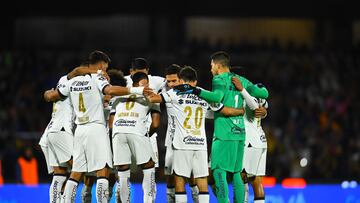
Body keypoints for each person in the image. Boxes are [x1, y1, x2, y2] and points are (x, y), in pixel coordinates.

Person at [44, 50, 151, 203]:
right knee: (103, 170)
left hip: (80, 129)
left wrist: (47, 93)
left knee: (76, 172)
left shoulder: (72, 81)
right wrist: (136, 90)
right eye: (106, 67)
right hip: (96, 128)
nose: (106, 71)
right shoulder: (97, 77)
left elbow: (53, 95)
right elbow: (110, 90)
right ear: (101, 65)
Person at [174, 51, 268, 203]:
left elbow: (217, 97)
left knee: (218, 171)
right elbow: (264, 93)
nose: (211, 69)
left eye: (211, 66)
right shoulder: (242, 80)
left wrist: (195, 90)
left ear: (217, 65)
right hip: (240, 133)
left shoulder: (219, 79)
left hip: (224, 133)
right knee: (237, 172)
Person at [147, 66, 247, 203]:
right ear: (195, 81)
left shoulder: (175, 92)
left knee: (180, 180)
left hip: (182, 144)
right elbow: (225, 111)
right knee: (202, 181)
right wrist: (241, 111)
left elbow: (153, 99)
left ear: (181, 80)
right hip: (200, 145)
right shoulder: (204, 94)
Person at [80, 69, 127, 203]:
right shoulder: (95, 94)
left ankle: (105, 198)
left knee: (110, 174)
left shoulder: (118, 101)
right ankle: (87, 197)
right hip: (97, 137)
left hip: (109, 139)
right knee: (90, 174)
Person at [111, 72, 157, 203]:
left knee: (123, 170)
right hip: (137, 130)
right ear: (144, 82)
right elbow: (156, 122)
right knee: (149, 166)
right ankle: (148, 201)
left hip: (118, 131)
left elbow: (111, 121)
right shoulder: (150, 94)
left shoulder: (120, 94)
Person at [124, 57, 166, 168]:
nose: (141, 79)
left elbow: (173, 82)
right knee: (125, 168)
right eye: (137, 74)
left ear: (147, 71)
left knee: (150, 167)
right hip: (128, 127)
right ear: (131, 71)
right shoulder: (123, 81)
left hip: (148, 129)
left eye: (144, 74)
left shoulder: (157, 81)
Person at [233, 81, 269, 203]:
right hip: (262, 140)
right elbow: (263, 109)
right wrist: (264, 112)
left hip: (250, 141)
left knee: (242, 176)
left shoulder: (244, 95)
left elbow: (254, 105)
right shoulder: (263, 100)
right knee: (257, 180)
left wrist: (242, 90)